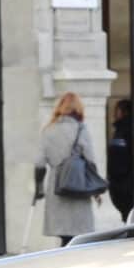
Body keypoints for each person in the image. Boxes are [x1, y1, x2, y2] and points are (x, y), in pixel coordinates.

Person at [40, 93, 100, 246]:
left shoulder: (48, 130)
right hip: (79, 185)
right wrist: (97, 191)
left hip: (57, 186)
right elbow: (90, 160)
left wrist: (38, 188)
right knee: (78, 233)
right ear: (78, 108)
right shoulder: (81, 130)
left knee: (63, 233)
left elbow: (39, 163)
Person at [108, 98, 134, 220]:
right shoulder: (125, 129)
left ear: (123, 112)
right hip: (124, 179)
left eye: (117, 110)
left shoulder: (124, 130)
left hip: (123, 181)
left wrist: (115, 177)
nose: (115, 113)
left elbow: (119, 157)